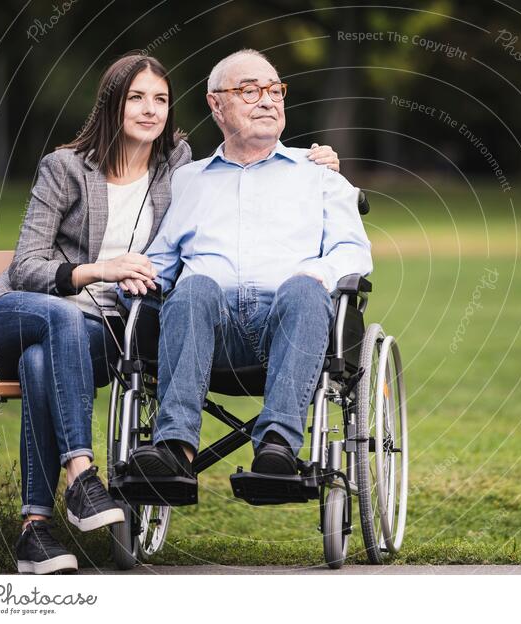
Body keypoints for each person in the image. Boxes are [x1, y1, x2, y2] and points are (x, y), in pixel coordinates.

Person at [0, 52, 340, 574]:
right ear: (111, 104)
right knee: (60, 321)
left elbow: (226, 195)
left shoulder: (179, 168)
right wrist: (101, 270)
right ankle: (81, 474)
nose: (150, 110)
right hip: (23, 313)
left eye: (161, 99)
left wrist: (318, 160)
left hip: (104, 331)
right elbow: (28, 266)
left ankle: (36, 531)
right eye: (136, 98)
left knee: (41, 363)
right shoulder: (66, 167)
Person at [127, 49, 372, 483]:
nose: (268, 100)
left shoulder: (318, 174)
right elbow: (162, 260)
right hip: (209, 328)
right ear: (216, 104)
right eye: (249, 90)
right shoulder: (190, 180)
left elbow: (353, 251)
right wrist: (124, 279)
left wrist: (319, 273)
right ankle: (174, 449)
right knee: (193, 286)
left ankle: (277, 446)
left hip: (291, 324)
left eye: (275, 90)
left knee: (303, 288)